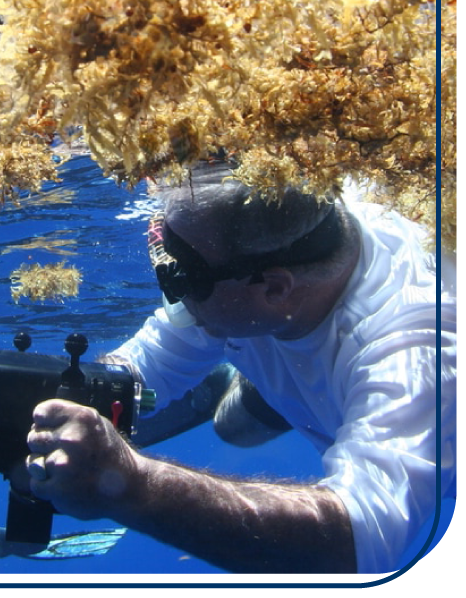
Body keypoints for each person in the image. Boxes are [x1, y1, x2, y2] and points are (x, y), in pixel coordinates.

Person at [26, 160, 457, 576]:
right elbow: (148, 361)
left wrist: (133, 484)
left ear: (274, 287)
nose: (173, 291)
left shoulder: (415, 351)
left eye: (182, 277)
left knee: (236, 424)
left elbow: (356, 546)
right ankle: (247, 373)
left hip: (411, 410)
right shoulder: (250, 261)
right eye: (164, 249)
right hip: (279, 327)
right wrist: (52, 398)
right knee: (232, 427)